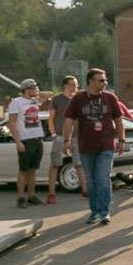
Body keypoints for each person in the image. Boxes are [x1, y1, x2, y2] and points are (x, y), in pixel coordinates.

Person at [63, 68, 127, 225]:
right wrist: (66, 141)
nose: (105, 83)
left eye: (105, 80)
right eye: (101, 80)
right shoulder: (78, 99)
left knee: (103, 178)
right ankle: (94, 211)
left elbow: (118, 120)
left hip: (106, 145)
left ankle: (104, 211)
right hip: (86, 146)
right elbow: (69, 121)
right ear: (90, 82)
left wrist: (121, 140)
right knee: (91, 181)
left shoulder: (109, 98)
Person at [8, 79, 45, 208]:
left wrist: (37, 93)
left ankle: (31, 195)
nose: (36, 90)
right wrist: (18, 141)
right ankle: (21, 197)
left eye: (36, 88)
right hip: (25, 139)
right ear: (26, 90)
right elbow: (11, 123)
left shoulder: (34, 101)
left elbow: (49, 95)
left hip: (37, 137)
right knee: (23, 169)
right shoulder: (16, 102)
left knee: (33, 170)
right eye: (33, 88)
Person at [48, 75, 84, 204]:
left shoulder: (78, 99)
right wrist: (53, 134)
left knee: (79, 163)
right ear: (65, 86)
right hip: (60, 135)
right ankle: (51, 193)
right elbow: (51, 118)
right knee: (55, 163)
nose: (75, 87)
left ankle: (85, 190)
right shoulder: (57, 99)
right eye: (72, 85)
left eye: (76, 85)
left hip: (76, 136)